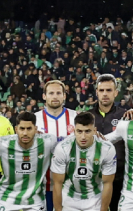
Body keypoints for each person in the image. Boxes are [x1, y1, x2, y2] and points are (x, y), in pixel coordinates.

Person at [0, 112, 60, 211]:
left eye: (29, 129)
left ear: (36, 129)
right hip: (7, 200)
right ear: (16, 129)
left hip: (35, 201)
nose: (25, 133)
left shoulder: (48, 142)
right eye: (22, 129)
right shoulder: (3, 144)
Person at [51, 112, 118, 211]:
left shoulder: (107, 148)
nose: (83, 136)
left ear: (94, 131)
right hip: (69, 197)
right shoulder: (63, 148)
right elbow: (57, 183)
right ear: (74, 131)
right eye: (79, 131)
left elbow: (107, 183)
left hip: (95, 198)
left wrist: (103, 209)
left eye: (87, 131)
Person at [38, 81, 78, 211]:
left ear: (64, 96)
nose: (55, 96)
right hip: (42, 186)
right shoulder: (34, 120)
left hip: (72, 185)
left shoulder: (75, 117)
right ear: (44, 96)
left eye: (58, 93)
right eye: (51, 93)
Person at [93, 74, 128, 211]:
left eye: (109, 90)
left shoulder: (126, 115)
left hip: (118, 177)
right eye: (101, 90)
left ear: (116, 93)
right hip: (94, 178)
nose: (105, 94)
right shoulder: (88, 117)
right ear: (96, 92)